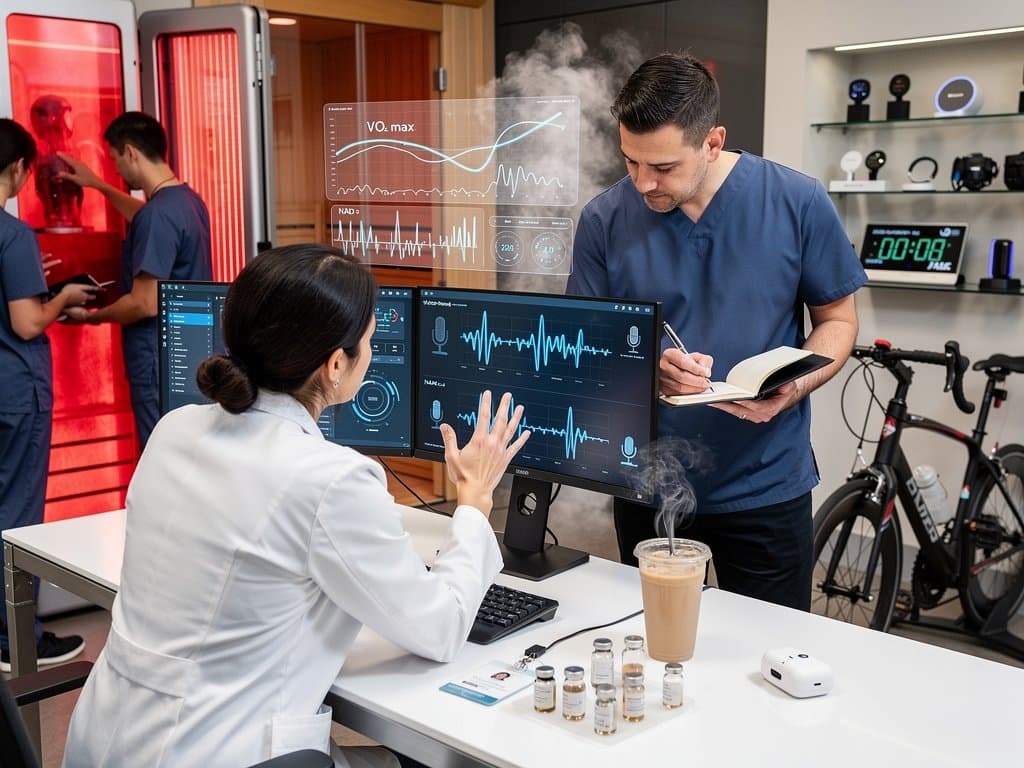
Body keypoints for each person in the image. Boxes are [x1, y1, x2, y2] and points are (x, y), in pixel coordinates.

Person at [63, 244, 531, 767]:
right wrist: (474, 502)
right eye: (370, 341)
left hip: (101, 745)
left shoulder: (174, 429)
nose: (372, 353)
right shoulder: (331, 480)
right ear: (336, 365)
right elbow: (440, 629)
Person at [567, 53, 865, 611]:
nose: (642, 182)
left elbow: (838, 320)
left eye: (663, 167)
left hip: (765, 486)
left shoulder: (797, 202)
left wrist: (793, 387)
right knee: (658, 645)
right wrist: (646, 371)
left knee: (772, 649)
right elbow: (583, 348)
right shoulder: (604, 220)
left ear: (712, 141)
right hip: (648, 484)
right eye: (630, 161)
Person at [0, 117, 95, 671]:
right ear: (19, 169)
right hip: (16, 392)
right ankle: (17, 639)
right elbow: (27, 322)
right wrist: (61, 299)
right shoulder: (14, 235)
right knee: (16, 515)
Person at [59, 111, 212, 449]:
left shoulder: (157, 215)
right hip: (192, 352)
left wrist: (90, 317)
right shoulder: (188, 202)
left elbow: (144, 303)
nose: (116, 170)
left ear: (130, 152)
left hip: (158, 359)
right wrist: (98, 185)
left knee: (161, 454)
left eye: (115, 159)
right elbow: (146, 218)